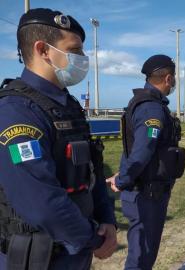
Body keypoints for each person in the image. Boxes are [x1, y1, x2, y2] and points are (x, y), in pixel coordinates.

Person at [0, 8, 116, 269]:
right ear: (43, 50)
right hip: (37, 257)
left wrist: (107, 220)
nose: (82, 59)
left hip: (77, 249)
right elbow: (40, 201)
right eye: (74, 51)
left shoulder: (69, 106)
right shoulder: (16, 112)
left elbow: (92, 171)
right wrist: (92, 241)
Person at [106, 55, 185, 270]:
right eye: (174, 78)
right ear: (168, 78)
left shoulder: (149, 104)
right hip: (146, 195)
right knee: (141, 257)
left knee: (143, 253)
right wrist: (123, 179)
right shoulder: (152, 109)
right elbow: (142, 151)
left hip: (148, 191)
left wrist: (121, 174)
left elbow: (132, 149)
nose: (174, 82)